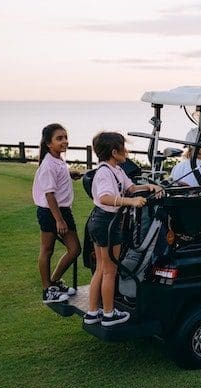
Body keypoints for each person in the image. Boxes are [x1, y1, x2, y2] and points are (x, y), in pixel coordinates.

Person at [83, 132, 163, 326]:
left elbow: (131, 188)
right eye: (123, 147)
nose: (126, 151)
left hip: (103, 222)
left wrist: (151, 187)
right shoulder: (104, 172)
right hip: (106, 222)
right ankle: (109, 314)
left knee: (102, 269)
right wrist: (130, 202)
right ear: (113, 152)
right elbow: (105, 198)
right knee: (109, 271)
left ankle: (93, 312)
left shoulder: (116, 169)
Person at [33, 123, 83, 303]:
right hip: (51, 213)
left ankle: (54, 281)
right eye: (59, 138)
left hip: (62, 211)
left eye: (65, 137)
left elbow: (57, 178)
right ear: (48, 143)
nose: (65, 141)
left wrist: (69, 174)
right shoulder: (47, 165)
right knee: (47, 250)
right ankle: (48, 290)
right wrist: (59, 220)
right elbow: (49, 195)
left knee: (75, 249)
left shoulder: (58, 160)